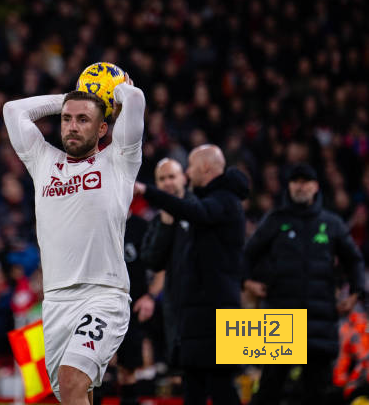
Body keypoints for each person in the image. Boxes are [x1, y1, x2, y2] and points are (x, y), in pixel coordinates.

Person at [3, 73, 145, 404]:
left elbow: (135, 100)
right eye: (67, 119)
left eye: (83, 119)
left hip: (103, 296)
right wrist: (68, 97)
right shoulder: (43, 161)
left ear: (102, 129)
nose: (72, 126)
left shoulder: (119, 161)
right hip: (55, 302)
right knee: (73, 394)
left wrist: (114, 90)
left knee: (71, 381)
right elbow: (12, 110)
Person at [134, 144, 248, 405]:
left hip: (216, 312)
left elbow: (197, 213)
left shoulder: (217, 202)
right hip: (191, 314)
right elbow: (153, 259)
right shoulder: (187, 211)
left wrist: (148, 192)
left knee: (219, 385)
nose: (186, 172)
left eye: (189, 168)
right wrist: (165, 220)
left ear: (205, 168)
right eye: (161, 179)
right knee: (195, 384)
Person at [243, 163, 365, 405]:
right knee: (268, 389)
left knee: (317, 393)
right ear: (289, 186)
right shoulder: (275, 220)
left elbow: (354, 260)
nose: (301, 186)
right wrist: (247, 282)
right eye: (296, 181)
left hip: (319, 320)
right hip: (279, 319)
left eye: (306, 181)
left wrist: (356, 294)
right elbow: (247, 255)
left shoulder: (332, 223)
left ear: (316, 186)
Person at [133, 158, 192, 373]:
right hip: (175, 309)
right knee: (185, 375)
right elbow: (151, 260)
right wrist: (166, 226)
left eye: (172, 176)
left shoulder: (202, 211)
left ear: (184, 178)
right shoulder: (158, 222)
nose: (167, 182)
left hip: (206, 306)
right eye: (162, 179)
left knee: (218, 378)